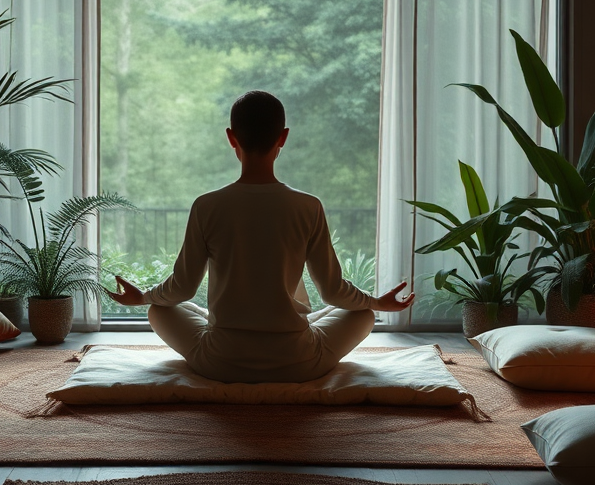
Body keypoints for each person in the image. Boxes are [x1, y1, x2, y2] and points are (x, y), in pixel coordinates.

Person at [107, 90, 414, 383]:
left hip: (221, 362)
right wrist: (376, 302)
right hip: (298, 363)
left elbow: (182, 288)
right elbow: (332, 292)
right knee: (363, 315)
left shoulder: (207, 206)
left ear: (231, 137)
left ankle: (213, 324)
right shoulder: (308, 206)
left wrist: (144, 297)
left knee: (159, 309)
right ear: (284, 137)